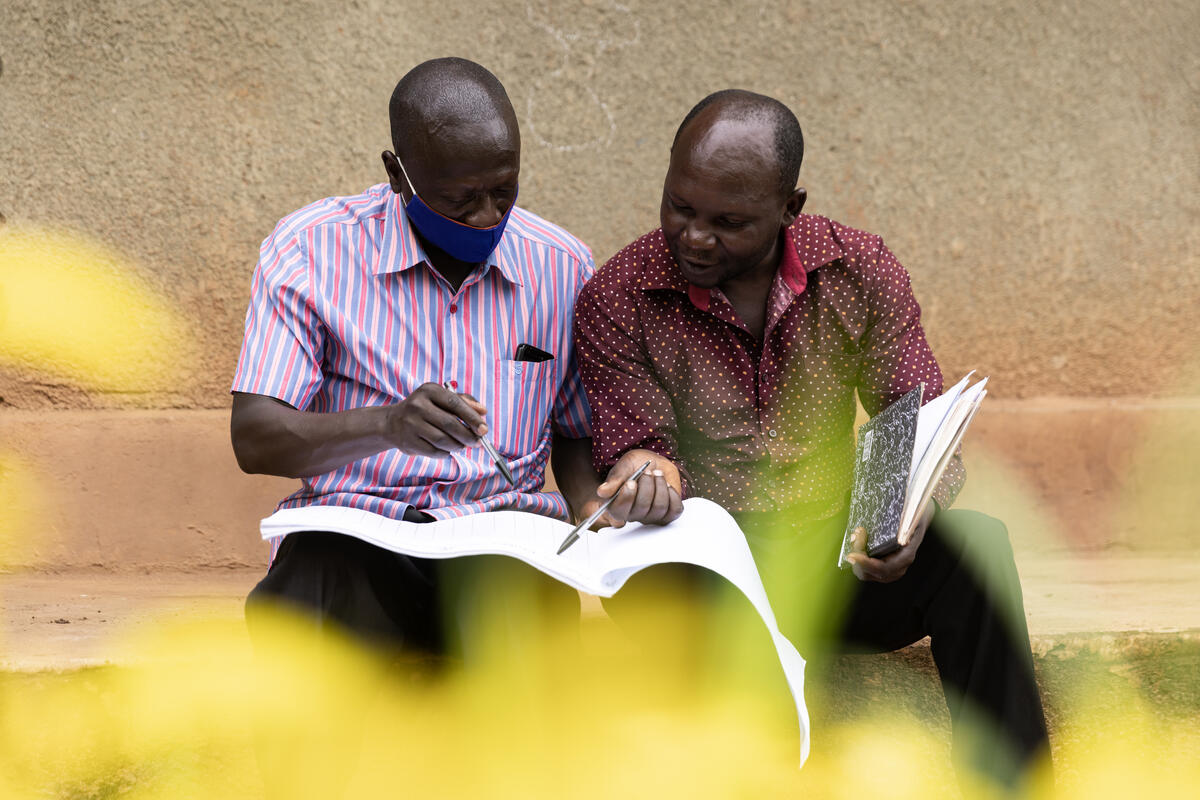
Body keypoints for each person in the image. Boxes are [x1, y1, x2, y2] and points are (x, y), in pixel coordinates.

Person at [573, 89, 1050, 789]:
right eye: (680, 206)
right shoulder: (619, 295)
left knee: (977, 548)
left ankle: (1012, 784)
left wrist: (903, 517)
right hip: (710, 574)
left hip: (838, 562)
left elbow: (909, 422)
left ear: (790, 209)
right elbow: (637, 445)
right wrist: (647, 474)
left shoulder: (859, 270)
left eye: (729, 221)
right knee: (654, 582)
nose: (695, 236)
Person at [230, 57, 636, 661]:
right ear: (399, 175)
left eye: (505, 190)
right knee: (314, 606)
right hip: (354, 531)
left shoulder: (561, 264)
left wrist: (587, 502)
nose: (488, 217)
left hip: (501, 539)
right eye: (459, 199)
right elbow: (256, 438)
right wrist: (386, 424)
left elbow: (574, 431)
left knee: (514, 644)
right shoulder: (310, 250)